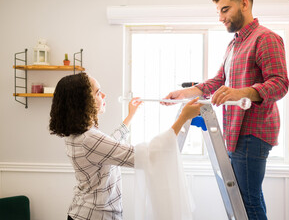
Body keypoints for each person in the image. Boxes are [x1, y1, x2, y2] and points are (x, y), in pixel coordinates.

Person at [163, 0, 289, 219]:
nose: (220, 17)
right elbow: (219, 80)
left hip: (253, 132)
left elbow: (280, 84)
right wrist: (184, 93)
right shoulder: (234, 44)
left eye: (225, 9)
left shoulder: (267, 38)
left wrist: (242, 92)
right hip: (233, 132)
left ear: (244, 3)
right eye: (218, 12)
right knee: (242, 201)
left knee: (249, 202)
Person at [49, 72, 202, 220]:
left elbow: (109, 147)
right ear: (82, 102)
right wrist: (183, 118)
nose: (104, 96)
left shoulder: (79, 134)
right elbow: (147, 155)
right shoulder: (89, 139)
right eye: (98, 92)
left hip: (83, 212)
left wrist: (130, 117)